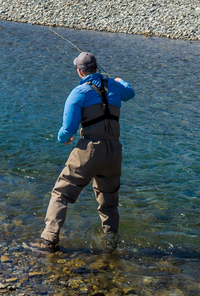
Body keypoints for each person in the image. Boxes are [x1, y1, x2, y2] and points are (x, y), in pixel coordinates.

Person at [29, 51, 135, 253]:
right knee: (109, 200)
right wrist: (120, 80)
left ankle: (48, 240)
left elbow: (67, 130)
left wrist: (63, 138)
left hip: (89, 150)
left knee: (61, 192)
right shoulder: (114, 86)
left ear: (79, 71)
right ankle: (110, 244)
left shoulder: (79, 93)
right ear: (96, 67)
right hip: (114, 151)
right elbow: (130, 93)